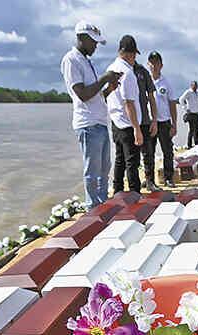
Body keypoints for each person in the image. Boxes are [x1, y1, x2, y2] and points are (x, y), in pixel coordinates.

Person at [60, 21, 120, 207]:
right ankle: (92, 207)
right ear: (81, 38)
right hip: (88, 124)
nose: (95, 46)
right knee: (92, 172)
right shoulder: (71, 60)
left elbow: (96, 96)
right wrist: (105, 78)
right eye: (93, 42)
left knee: (104, 169)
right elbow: (83, 94)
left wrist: (109, 88)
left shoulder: (86, 61)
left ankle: (102, 204)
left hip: (100, 122)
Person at [106, 35, 143, 194]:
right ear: (128, 53)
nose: (135, 58)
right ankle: (135, 194)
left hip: (116, 122)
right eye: (134, 55)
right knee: (132, 162)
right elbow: (129, 103)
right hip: (128, 124)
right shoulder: (127, 73)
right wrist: (137, 128)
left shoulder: (111, 69)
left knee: (120, 159)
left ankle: (118, 191)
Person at [146, 51, 178, 186]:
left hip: (164, 121)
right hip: (149, 122)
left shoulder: (166, 83)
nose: (154, 66)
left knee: (167, 151)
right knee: (149, 152)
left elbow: (172, 104)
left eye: (157, 63)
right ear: (148, 64)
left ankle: (168, 178)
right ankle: (149, 179)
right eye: (152, 63)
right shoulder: (145, 81)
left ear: (161, 65)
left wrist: (174, 124)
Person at [132, 59, 160, 191]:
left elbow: (151, 97)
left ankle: (150, 181)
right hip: (128, 123)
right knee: (132, 158)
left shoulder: (142, 72)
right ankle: (134, 187)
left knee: (148, 154)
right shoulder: (121, 70)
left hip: (144, 120)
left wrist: (154, 120)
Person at [179, 81, 198, 147]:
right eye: (194, 85)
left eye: (196, 86)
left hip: (197, 113)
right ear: (191, 85)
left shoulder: (197, 93)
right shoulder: (188, 92)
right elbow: (181, 99)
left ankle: (197, 144)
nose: (195, 87)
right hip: (191, 114)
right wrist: (186, 108)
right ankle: (189, 145)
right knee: (192, 130)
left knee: (197, 129)